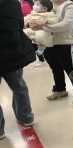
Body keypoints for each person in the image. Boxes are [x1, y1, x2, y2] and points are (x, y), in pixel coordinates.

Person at [30, 0, 73, 104]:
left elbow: (67, 24)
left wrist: (44, 27)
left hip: (66, 42)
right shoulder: (52, 6)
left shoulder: (70, 5)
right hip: (50, 43)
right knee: (55, 68)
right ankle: (60, 89)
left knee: (71, 69)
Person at [0, 0, 36, 140]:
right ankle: (26, 117)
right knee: (19, 87)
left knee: (19, 87)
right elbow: (19, 24)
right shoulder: (12, 3)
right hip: (13, 52)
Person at [24, 0, 56, 67]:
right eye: (35, 4)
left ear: (45, 8)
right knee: (26, 32)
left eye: (37, 5)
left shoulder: (49, 14)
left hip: (43, 32)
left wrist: (46, 21)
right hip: (34, 30)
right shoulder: (34, 13)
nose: (34, 6)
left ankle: (41, 48)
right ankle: (38, 48)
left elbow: (53, 20)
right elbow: (27, 19)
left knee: (41, 36)